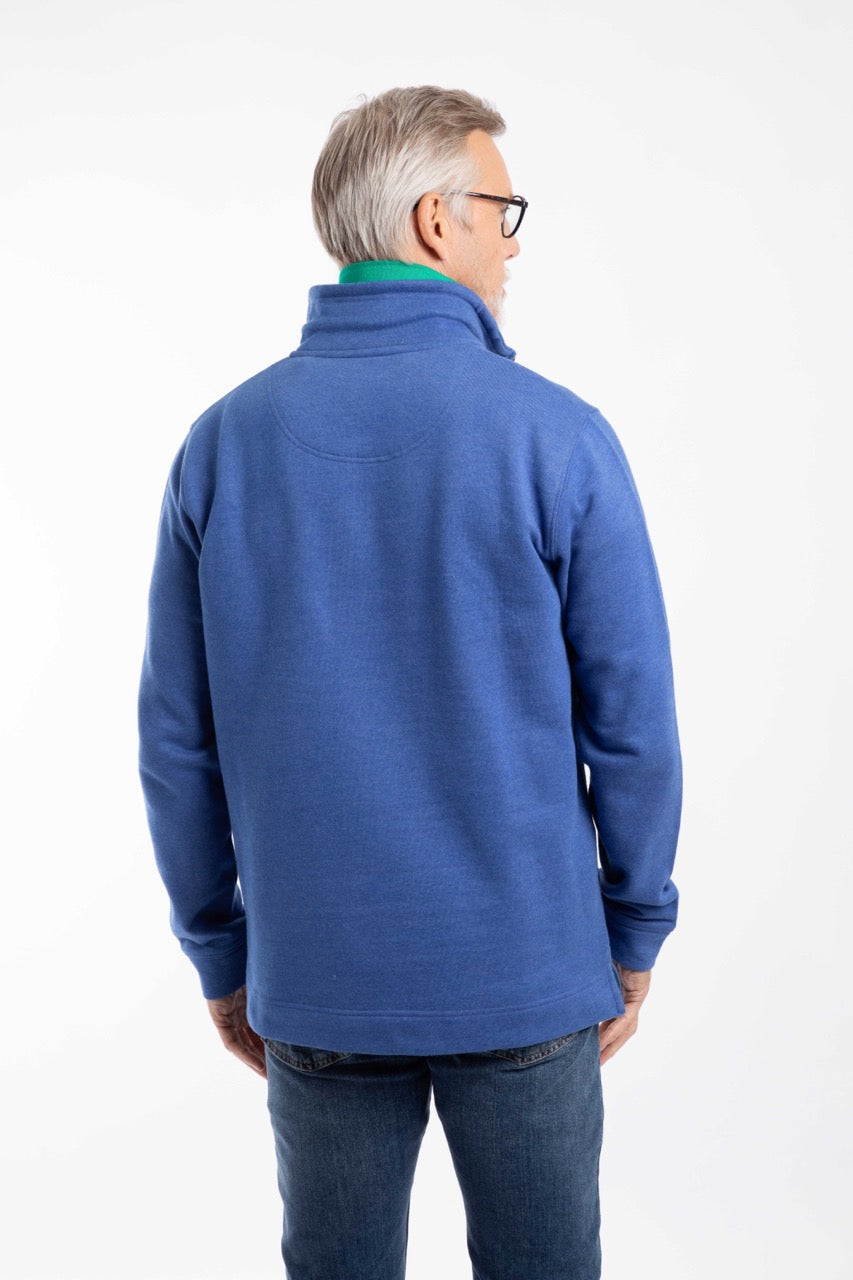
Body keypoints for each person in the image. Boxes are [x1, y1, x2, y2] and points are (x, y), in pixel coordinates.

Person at [137, 84, 683, 1280]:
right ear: (438, 220)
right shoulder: (556, 436)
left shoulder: (222, 443)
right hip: (527, 972)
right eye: (502, 212)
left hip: (315, 975)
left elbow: (178, 741)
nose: (512, 243)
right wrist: (634, 921)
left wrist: (222, 951)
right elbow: (632, 724)